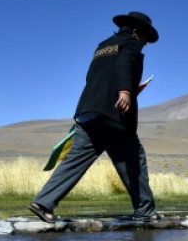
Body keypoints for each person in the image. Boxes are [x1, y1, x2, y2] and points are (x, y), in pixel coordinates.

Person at [29, 11, 160, 222]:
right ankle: (145, 211)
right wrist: (125, 90)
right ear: (137, 32)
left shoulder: (103, 46)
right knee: (134, 159)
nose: (144, 43)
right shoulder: (131, 44)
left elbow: (92, 76)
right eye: (144, 38)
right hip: (113, 114)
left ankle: (43, 202)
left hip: (87, 112)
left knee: (75, 160)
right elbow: (124, 65)